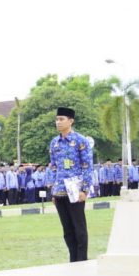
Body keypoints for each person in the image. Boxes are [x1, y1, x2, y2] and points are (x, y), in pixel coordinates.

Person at [48, 107, 94, 263]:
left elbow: (87, 166)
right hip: (59, 191)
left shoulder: (81, 141)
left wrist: (85, 190)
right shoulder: (54, 143)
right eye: (56, 119)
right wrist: (53, 191)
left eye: (61, 119)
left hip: (75, 190)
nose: (58, 122)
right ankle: (73, 260)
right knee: (67, 230)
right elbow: (53, 167)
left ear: (71, 121)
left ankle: (81, 260)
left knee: (79, 228)